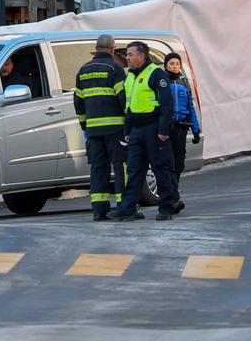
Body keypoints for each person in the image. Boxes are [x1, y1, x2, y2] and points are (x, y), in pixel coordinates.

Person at [108, 41, 178, 222]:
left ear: (142, 56)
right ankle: (128, 208)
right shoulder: (130, 76)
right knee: (134, 170)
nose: (127, 58)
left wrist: (163, 130)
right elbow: (129, 106)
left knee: (160, 168)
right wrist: (128, 130)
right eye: (127, 55)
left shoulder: (156, 74)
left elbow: (167, 104)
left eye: (130, 54)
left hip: (154, 129)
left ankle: (166, 207)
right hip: (137, 130)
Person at [73, 35, 128, 221]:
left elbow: (78, 103)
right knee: (121, 167)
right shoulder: (115, 69)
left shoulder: (83, 70)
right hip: (116, 129)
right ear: (112, 49)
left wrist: (85, 126)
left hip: (94, 131)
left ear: (96, 49)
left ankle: (99, 210)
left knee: (98, 169)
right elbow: (124, 99)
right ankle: (124, 206)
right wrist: (129, 124)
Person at [163, 52, 201, 214]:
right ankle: (173, 198)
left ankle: (174, 193)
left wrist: (196, 129)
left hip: (181, 127)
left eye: (177, 64)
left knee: (179, 163)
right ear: (165, 65)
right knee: (168, 162)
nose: (174, 66)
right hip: (167, 127)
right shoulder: (162, 81)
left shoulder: (184, 82)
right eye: (171, 63)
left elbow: (190, 106)